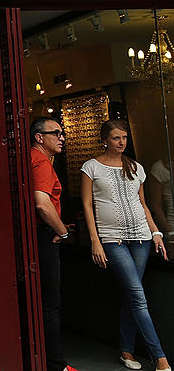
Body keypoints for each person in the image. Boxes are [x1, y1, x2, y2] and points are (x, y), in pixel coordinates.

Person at [80, 120, 169, 371]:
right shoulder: (91, 167)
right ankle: (160, 358)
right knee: (138, 297)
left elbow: (143, 204)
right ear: (105, 140)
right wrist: (95, 241)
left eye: (125, 138)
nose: (122, 142)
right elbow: (87, 205)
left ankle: (127, 351)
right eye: (117, 138)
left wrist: (156, 232)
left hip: (141, 237)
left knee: (133, 295)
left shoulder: (135, 167)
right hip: (112, 239)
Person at [30, 117, 82, 371]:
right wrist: (63, 232)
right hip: (43, 236)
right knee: (50, 302)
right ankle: (56, 365)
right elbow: (41, 202)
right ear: (39, 137)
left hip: (37, 235)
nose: (62, 137)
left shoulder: (32, 158)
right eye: (56, 133)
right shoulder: (40, 161)